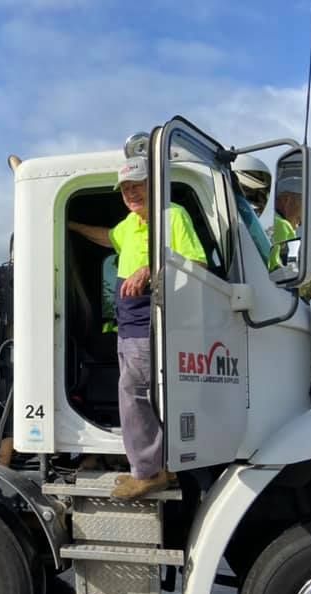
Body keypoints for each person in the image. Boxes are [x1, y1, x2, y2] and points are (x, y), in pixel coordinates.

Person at [68, 155, 206, 498]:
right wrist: (70, 227)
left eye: (137, 186)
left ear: (154, 186)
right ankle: (163, 467)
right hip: (128, 326)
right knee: (141, 394)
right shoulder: (130, 224)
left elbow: (196, 263)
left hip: (151, 323)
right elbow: (107, 237)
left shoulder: (171, 216)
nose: (131, 193)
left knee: (135, 394)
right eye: (126, 188)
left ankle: (147, 472)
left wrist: (150, 269)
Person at [270, 177, 302, 269]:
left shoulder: (277, 221)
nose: (303, 212)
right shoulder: (282, 225)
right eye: (302, 202)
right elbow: (276, 267)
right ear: (287, 200)